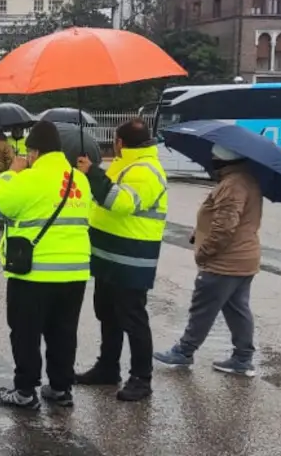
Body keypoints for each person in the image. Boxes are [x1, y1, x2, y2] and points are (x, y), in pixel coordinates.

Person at [0, 120, 92, 410]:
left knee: (25, 332)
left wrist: (10, 173)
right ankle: (60, 388)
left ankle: (25, 391)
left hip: (33, 272)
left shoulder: (29, 179)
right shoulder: (80, 180)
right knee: (64, 332)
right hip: (75, 272)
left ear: (34, 152)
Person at [72, 119, 168, 402]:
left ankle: (141, 377)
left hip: (131, 258)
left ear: (120, 142)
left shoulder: (146, 170)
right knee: (108, 313)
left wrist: (93, 174)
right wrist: (93, 174)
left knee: (132, 318)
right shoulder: (125, 164)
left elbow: (121, 202)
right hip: (109, 255)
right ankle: (107, 366)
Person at [154, 144, 263, 377]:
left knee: (202, 308)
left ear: (223, 160)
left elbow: (225, 226)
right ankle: (242, 358)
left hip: (225, 260)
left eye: (214, 157)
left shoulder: (232, 185)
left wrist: (205, 251)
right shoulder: (245, 180)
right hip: (244, 258)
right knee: (237, 309)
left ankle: (184, 351)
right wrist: (200, 231)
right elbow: (226, 218)